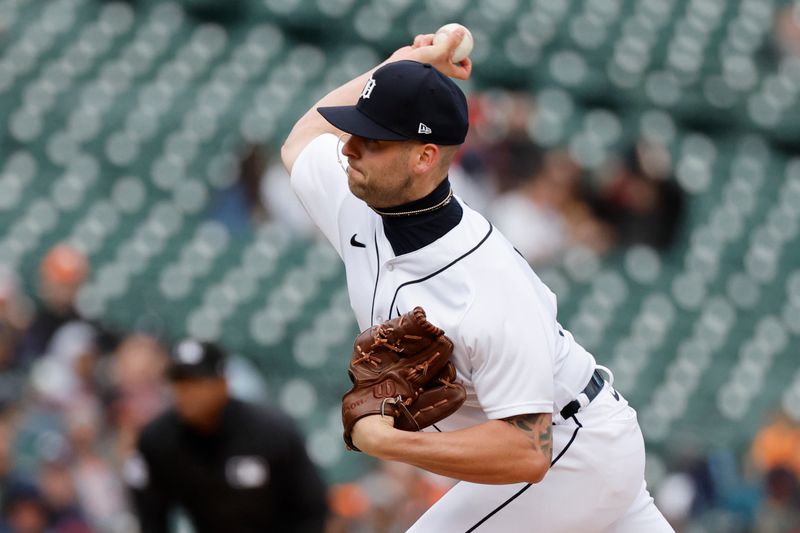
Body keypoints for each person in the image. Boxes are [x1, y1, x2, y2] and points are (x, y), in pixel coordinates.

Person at [281, 28, 673, 532]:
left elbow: (527, 451)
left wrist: (390, 442)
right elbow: (303, 141)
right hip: (584, 449)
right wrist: (405, 63)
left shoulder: (486, 284)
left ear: (425, 157)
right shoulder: (360, 196)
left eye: (371, 139)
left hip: (568, 450)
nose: (349, 148)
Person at [125, 339, 327, 533]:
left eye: (196, 382)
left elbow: (312, 508)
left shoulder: (271, 431)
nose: (186, 393)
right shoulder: (159, 440)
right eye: (179, 383)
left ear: (222, 384)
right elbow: (151, 516)